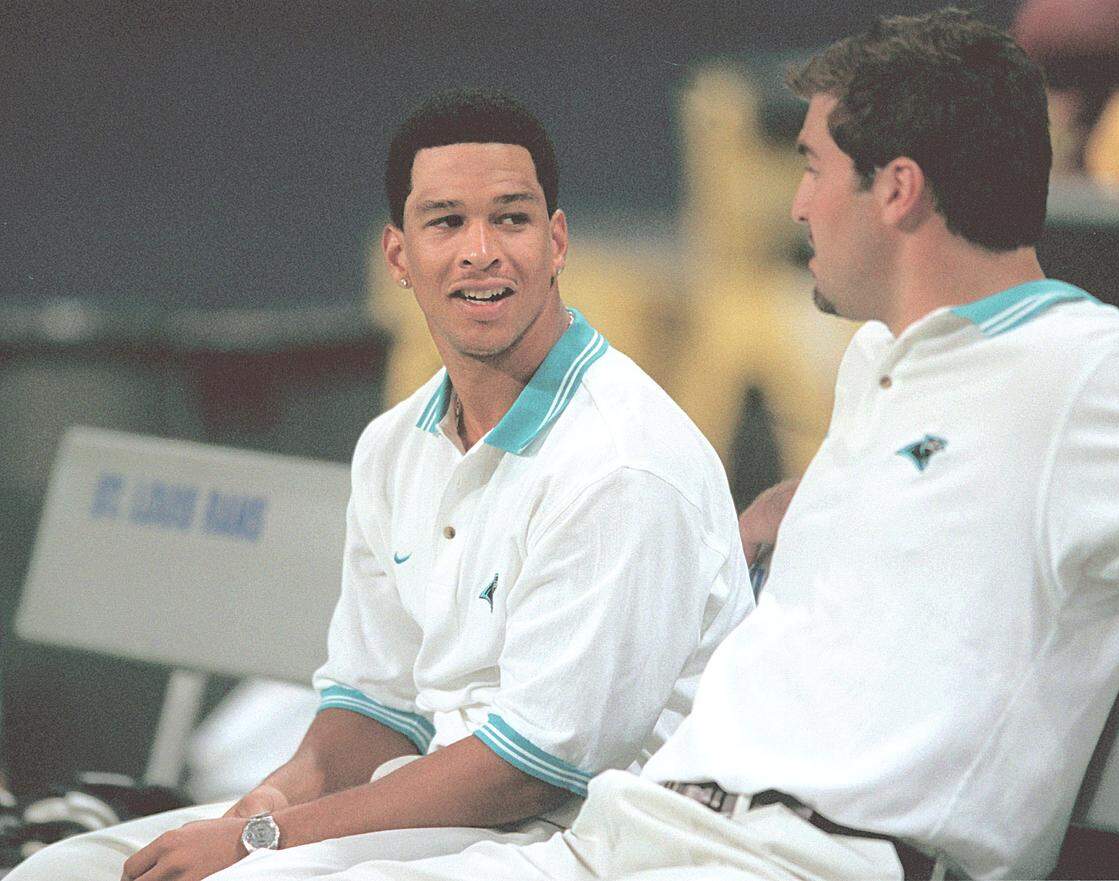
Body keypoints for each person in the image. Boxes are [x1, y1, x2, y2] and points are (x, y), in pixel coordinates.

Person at [261, 10, 1119, 880]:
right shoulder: (881, 358)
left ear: (898, 189)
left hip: (806, 858)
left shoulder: (1091, 373)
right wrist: (784, 517)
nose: (796, 205)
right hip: (648, 825)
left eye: (813, 168)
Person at [6, 90, 753, 881]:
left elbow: (532, 767)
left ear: (556, 240)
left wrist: (259, 843)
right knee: (62, 869)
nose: (481, 251)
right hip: (453, 816)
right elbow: (374, 708)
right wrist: (269, 800)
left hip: (599, 833)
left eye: (511, 218)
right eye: (445, 222)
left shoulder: (622, 462)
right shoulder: (392, 446)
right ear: (399, 256)